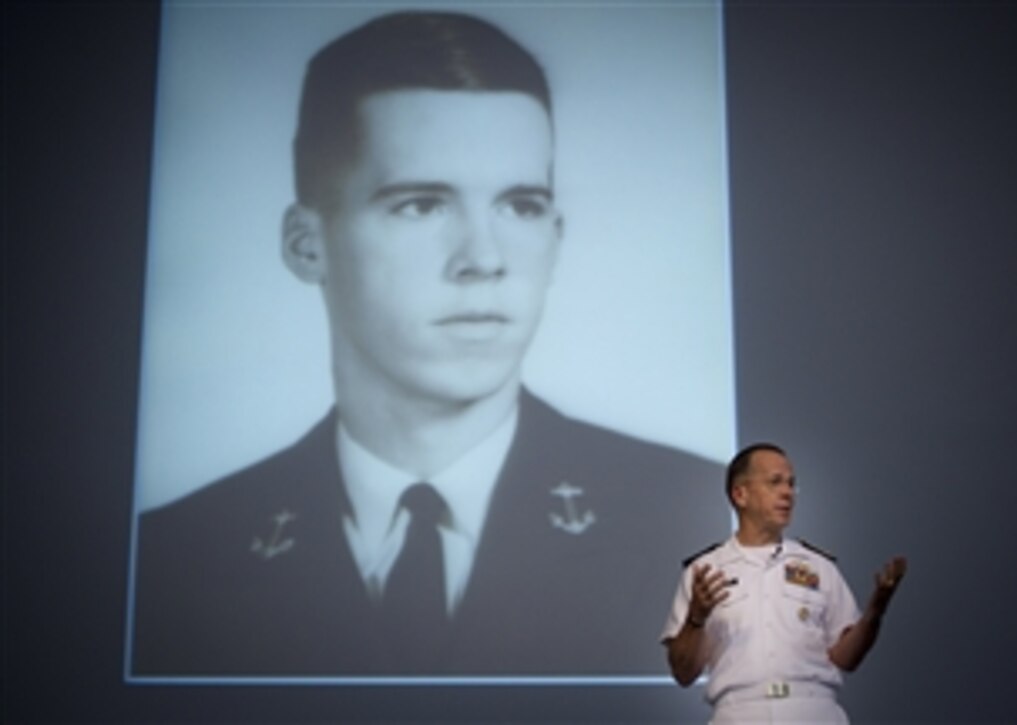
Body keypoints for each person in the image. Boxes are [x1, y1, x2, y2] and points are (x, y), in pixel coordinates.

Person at [130, 10, 724, 678]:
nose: (483, 258)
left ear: (556, 236)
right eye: (421, 204)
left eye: (520, 205)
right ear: (306, 243)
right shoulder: (163, 559)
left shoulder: (701, 523)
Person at [661, 443, 907, 723]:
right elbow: (683, 674)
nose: (788, 492)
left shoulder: (819, 566)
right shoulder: (703, 571)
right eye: (775, 482)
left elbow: (846, 659)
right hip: (740, 713)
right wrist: (695, 618)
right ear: (740, 494)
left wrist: (875, 613)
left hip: (814, 710)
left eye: (791, 484)